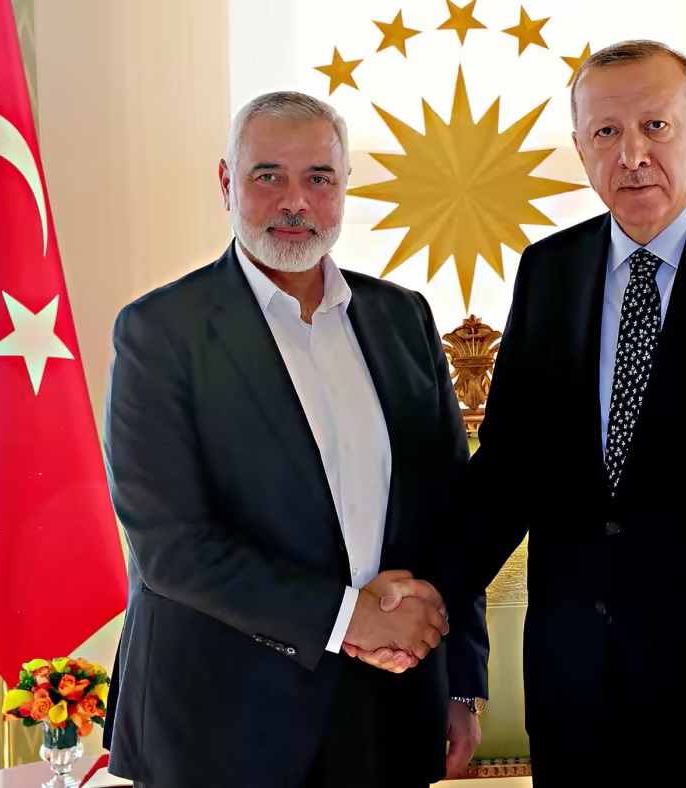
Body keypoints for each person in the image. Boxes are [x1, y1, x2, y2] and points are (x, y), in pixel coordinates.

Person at [386, 39, 686, 787]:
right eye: (607, 132)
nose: (633, 155)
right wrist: (425, 596)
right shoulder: (550, 272)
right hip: (579, 694)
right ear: (581, 146)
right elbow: (506, 475)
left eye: (656, 126)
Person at [98, 91, 489, 788]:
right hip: (219, 722)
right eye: (268, 175)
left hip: (388, 711)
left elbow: (449, 515)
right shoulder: (161, 331)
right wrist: (347, 619)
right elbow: (171, 545)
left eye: (318, 178)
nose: (295, 202)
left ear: (344, 185)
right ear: (227, 182)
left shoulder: (403, 318)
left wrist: (460, 682)